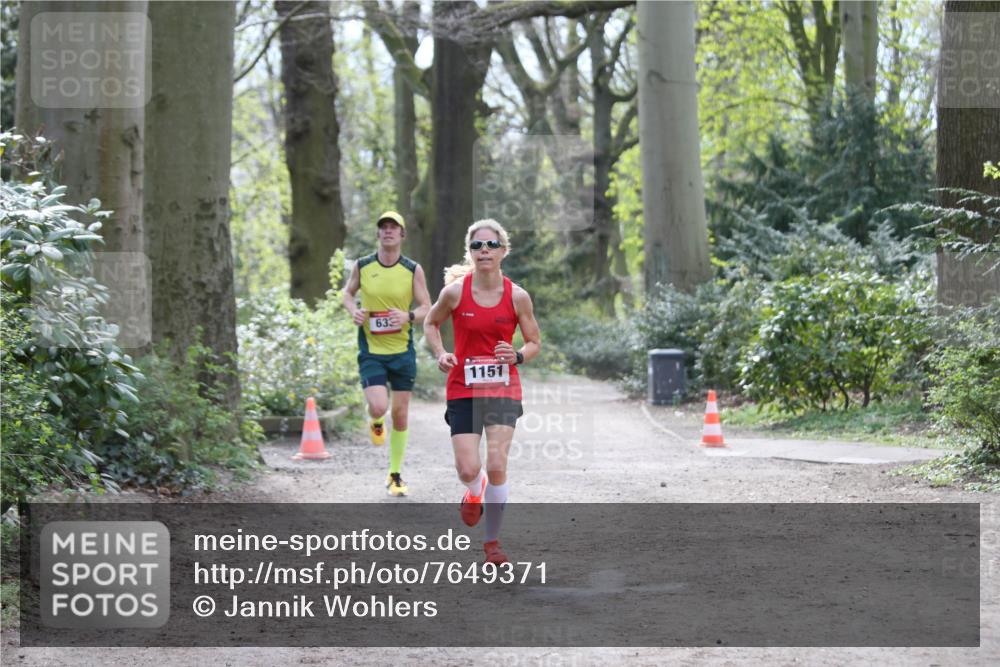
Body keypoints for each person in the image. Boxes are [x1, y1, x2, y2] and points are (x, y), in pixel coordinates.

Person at [423, 219, 541, 564]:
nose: (484, 250)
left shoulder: (517, 296)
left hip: (503, 388)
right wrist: (441, 352)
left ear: (503, 251)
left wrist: (517, 355)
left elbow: (535, 342)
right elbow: (430, 322)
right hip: (463, 388)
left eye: (490, 245)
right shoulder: (455, 292)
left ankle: (493, 543)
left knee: (497, 463)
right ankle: (475, 491)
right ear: (470, 253)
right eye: (477, 246)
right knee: (467, 468)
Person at [342, 211, 431, 497]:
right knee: (380, 406)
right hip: (372, 350)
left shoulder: (412, 269)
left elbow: (426, 307)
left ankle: (395, 474)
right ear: (378, 234)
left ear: (402, 235)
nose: (388, 231)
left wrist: (407, 316)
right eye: (384, 227)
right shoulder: (363, 265)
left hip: (403, 352)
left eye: (394, 227)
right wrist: (353, 310)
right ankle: (376, 420)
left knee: (402, 414)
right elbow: (346, 293)